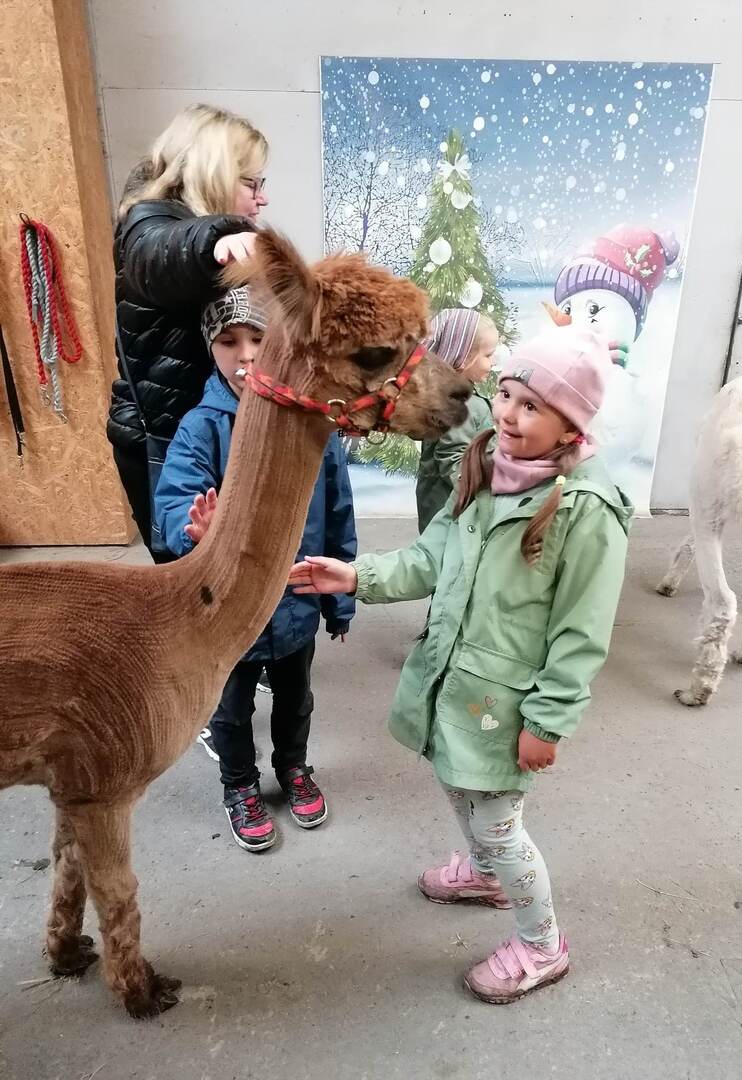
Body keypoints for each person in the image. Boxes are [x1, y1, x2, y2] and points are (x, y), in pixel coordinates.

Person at [290, 325, 632, 1002]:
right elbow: (430, 556)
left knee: (501, 830)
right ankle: (483, 875)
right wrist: (357, 576)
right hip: (452, 683)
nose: (507, 414)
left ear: (572, 425)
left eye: (531, 406)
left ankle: (543, 946)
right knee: (456, 784)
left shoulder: (586, 510)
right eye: (505, 394)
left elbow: (582, 632)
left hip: (506, 705)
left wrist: (548, 721)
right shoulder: (483, 466)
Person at [153, 286, 357, 851]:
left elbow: (338, 511)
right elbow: (174, 500)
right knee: (229, 707)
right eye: (228, 341)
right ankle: (240, 783)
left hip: (295, 600)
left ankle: (293, 767)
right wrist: (191, 530)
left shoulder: (312, 423)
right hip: (225, 610)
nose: (245, 354)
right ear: (210, 348)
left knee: (296, 698)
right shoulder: (200, 428)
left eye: (258, 339)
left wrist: (339, 600)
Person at [107, 104, 269, 562]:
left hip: (212, 423)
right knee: (187, 565)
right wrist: (215, 239)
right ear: (214, 173)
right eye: (251, 184)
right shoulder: (147, 227)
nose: (262, 199)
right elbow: (162, 254)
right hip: (162, 439)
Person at [415, 309, 499, 532]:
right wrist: (490, 489)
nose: (493, 362)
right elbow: (453, 459)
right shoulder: (459, 404)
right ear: (463, 357)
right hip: (455, 522)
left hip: (449, 519)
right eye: (488, 355)